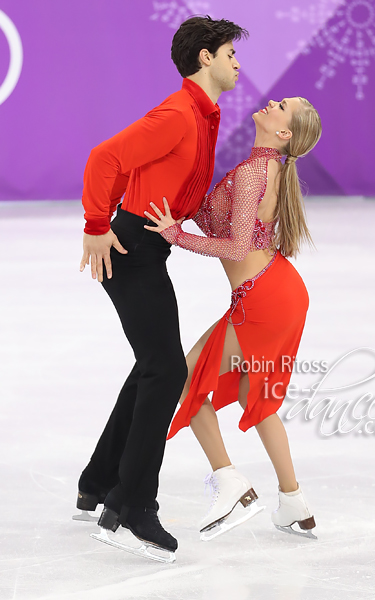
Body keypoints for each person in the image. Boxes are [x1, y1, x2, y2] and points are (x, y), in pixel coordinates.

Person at [75, 16, 248, 562]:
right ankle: (132, 506)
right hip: (128, 249)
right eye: (228, 53)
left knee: (155, 362)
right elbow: (106, 157)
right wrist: (97, 225)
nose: (236, 62)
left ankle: (99, 481)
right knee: (166, 368)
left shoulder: (202, 115)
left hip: (146, 245)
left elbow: (163, 179)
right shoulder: (179, 115)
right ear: (205, 59)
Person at [144, 96, 322, 541]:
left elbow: (236, 247)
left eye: (283, 106)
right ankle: (294, 503)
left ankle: (230, 483)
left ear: (284, 133)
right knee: (249, 392)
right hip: (277, 292)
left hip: (262, 297)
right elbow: (220, 222)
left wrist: (175, 236)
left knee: (186, 378)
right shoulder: (269, 169)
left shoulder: (253, 174)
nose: (272, 102)